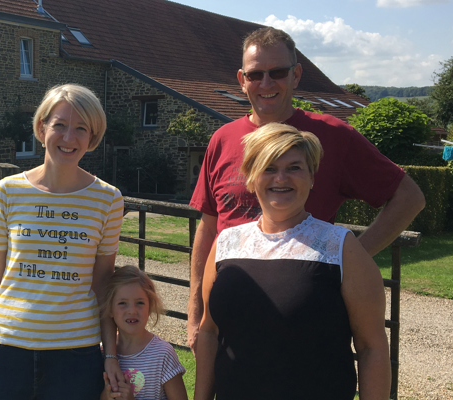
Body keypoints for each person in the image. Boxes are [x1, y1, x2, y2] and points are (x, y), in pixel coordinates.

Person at [186, 26, 425, 352]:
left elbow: (409, 197)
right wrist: (195, 311)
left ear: (296, 75)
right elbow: (209, 226)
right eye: (256, 75)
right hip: (232, 314)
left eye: (278, 72)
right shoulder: (223, 139)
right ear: (242, 81)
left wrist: (351, 258)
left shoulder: (333, 135)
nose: (266, 84)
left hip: (304, 318)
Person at [194, 123, 391, 400]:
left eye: (294, 167)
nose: (281, 178)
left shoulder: (340, 248)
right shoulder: (227, 243)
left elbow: (372, 348)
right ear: (251, 177)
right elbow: (209, 332)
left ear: (312, 177)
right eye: (269, 168)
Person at [0, 83, 126, 400]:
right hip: (5, 350)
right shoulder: (7, 191)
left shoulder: (108, 200)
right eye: (59, 125)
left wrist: (111, 354)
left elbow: (103, 284)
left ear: (93, 137)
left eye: (81, 129)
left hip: (75, 355)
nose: (68, 138)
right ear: (41, 126)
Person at [99, 266, 189, 400]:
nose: (132, 311)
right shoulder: (103, 353)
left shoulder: (163, 354)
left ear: (150, 305)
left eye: (140, 303)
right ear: (110, 309)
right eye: (122, 303)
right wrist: (106, 396)